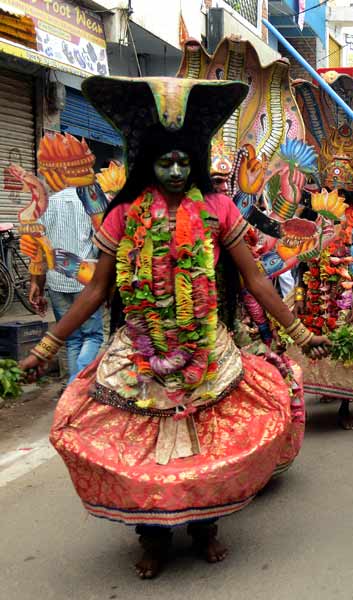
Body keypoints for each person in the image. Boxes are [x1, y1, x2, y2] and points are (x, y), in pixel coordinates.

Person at [19, 76, 329, 578]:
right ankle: (153, 536)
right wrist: (45, 347)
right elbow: (97, 291)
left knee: (212, 444)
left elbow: (254, 278)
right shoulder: (123, 214)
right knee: (139, 452)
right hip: (141, 349)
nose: (177, 170)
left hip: (206, 343)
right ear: (148, 165)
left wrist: (299, 332)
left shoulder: (218, 208)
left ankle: (206, 526)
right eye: (166, 161)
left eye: (186, 161)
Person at [28, 184, 103, 382]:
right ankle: (77, 384)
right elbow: (100, 244)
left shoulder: (46, 204)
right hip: (86, 282)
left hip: (56, 281)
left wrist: (36, 283)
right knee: (93, 336)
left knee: (72, 338)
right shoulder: (90, 202)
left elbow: (39, 249)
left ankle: (72, 385)